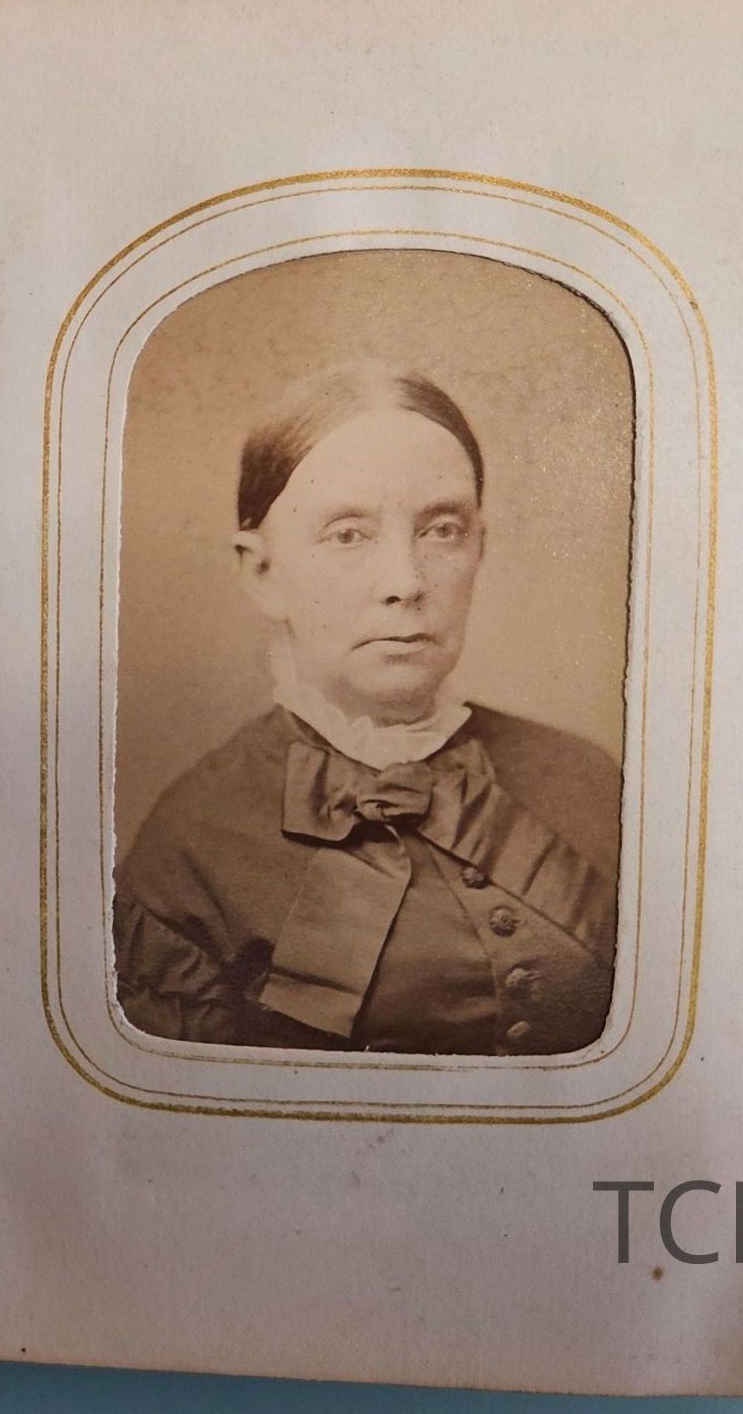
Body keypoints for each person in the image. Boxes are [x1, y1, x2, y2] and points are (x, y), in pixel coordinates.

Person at [113, 362, 621, 1055]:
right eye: (348, 534)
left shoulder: (588, 782)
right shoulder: (188, 851)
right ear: (263, 573)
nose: (406, 582)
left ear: (481, 547)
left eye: (442, 530)